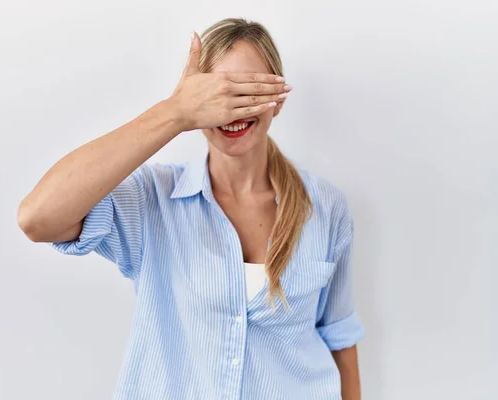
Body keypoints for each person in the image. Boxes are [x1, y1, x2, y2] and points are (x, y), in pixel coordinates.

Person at [18, 18, 365, 400]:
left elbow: (339, 337)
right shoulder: (153, 200)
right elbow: (38, 218)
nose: (232, 111)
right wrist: (174, 112)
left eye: (247, 92)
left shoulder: (325, 207)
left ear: (277, 98)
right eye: (216, 96)